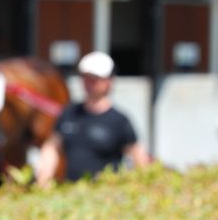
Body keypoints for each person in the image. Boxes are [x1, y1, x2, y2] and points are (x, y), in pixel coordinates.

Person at [36, 51, 152, 186]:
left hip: (105, 193)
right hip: (71, 192)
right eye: (85, 77)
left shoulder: (119, 121)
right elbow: (52, 147)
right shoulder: (69, 114)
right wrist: (43, 180)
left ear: (108, 81)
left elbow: (138, 157)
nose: (89, 83)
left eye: (95, 79)